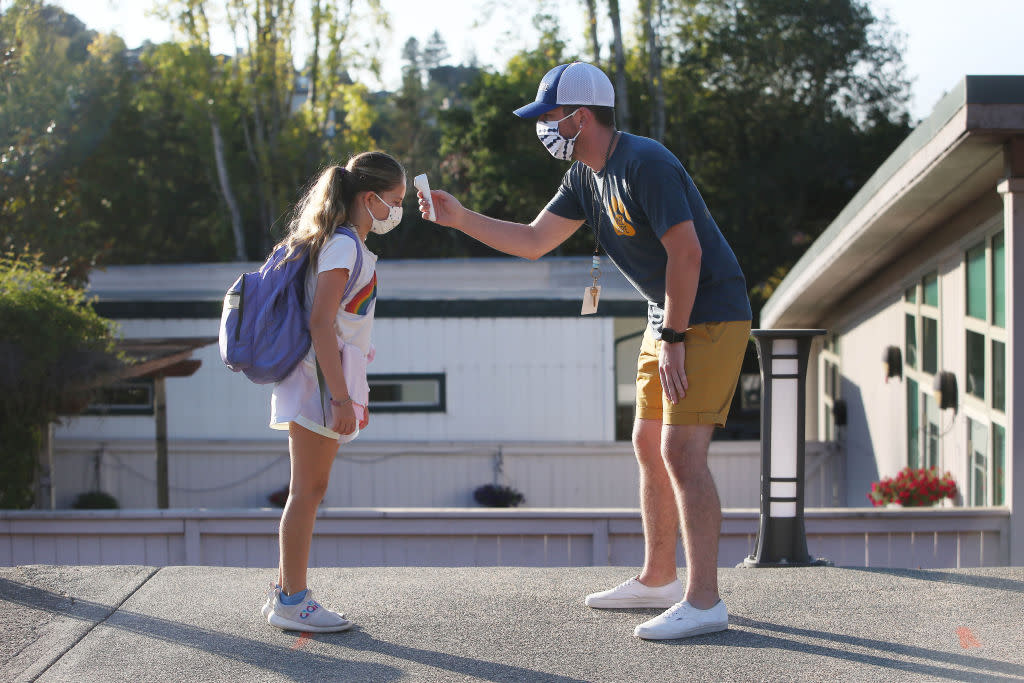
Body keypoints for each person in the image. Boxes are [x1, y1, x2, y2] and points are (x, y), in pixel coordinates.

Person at [419, 62, 751, 640]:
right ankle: (659, 578)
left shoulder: (644, 163)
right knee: (648, 442)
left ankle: (705, 601)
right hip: (665, 315)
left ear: (580, 116)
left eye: (549, 116)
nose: (543, 127)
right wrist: (459, 217)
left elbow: (689, 254)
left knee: (680, 451)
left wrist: (674, 338)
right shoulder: (583, 176)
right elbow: (533, 241)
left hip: (710, 314)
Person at [262, 151, 406, 632]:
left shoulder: (344, 244)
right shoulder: (345, 246)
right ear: (370, 198)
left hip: (320, 380)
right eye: (395, 201)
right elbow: (321, 322)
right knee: (307, 491)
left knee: (309, 489)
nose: (397, 211)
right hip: (318, 384)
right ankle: (292, 601)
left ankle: (286, 591)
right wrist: (340, 400)